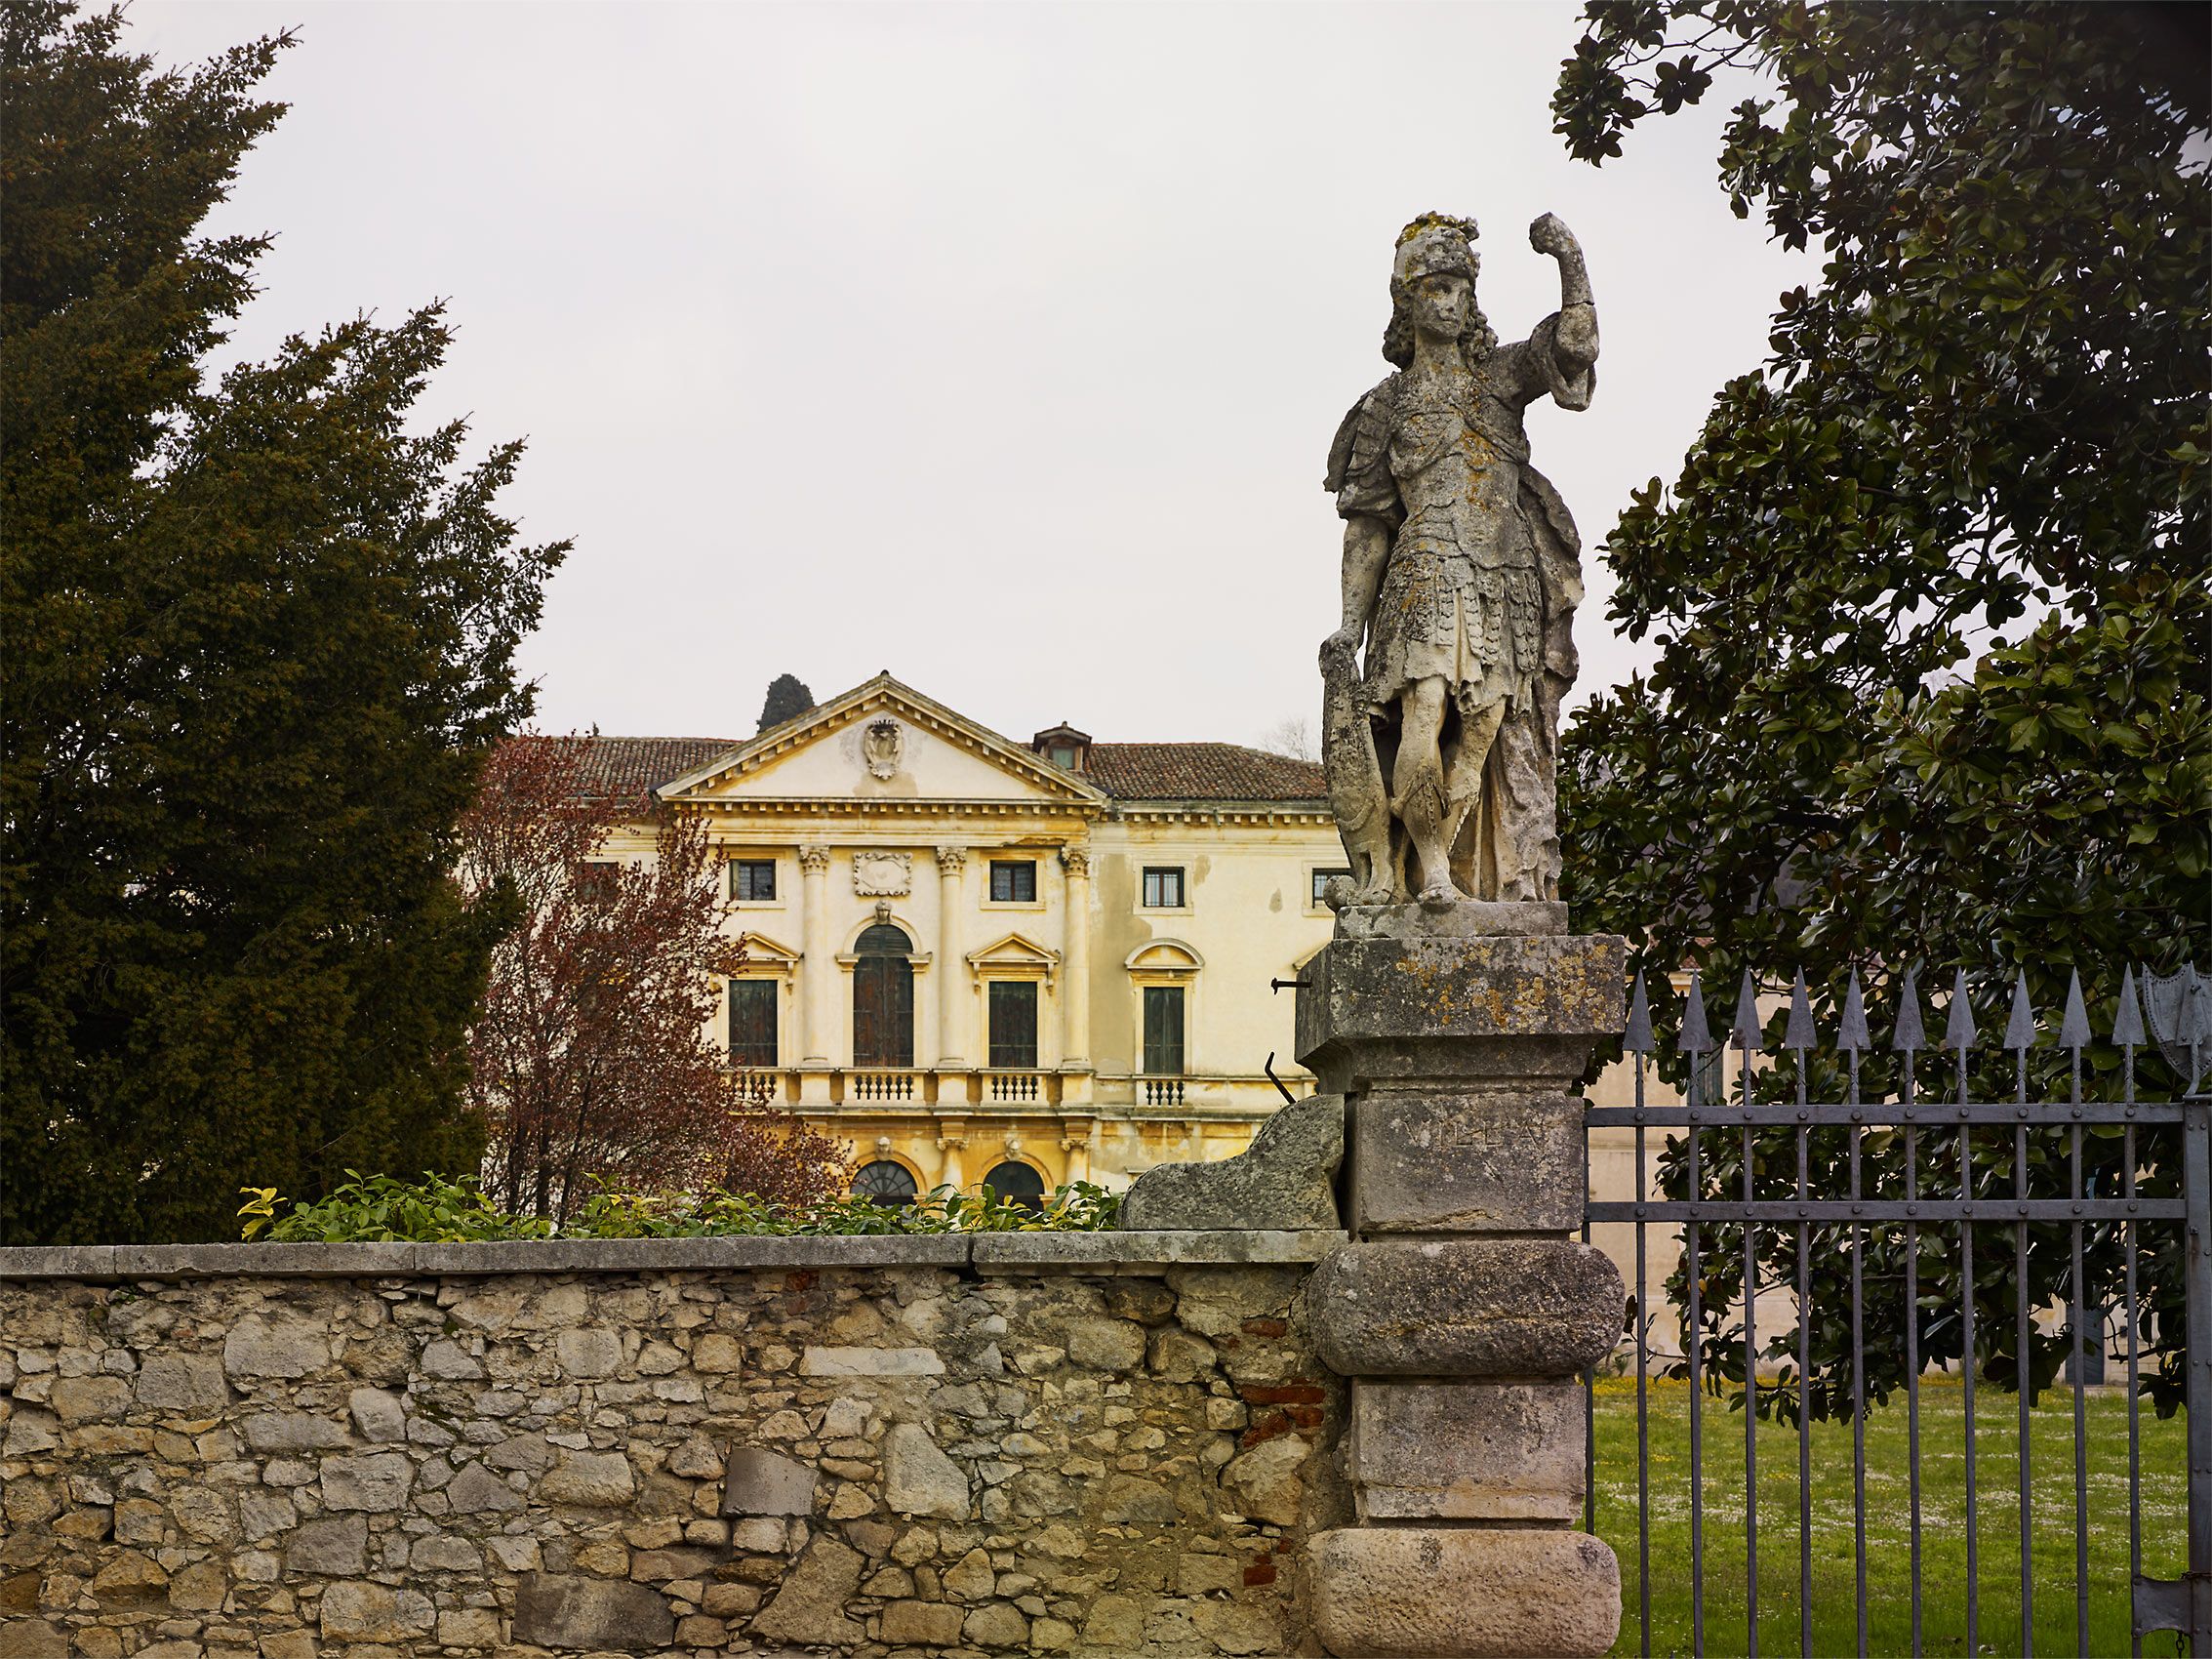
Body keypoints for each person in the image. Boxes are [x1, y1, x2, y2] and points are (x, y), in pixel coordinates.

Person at [1321, 211, 1598, 908]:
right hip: (1425, 572)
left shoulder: (1499, 378)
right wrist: (1350, 623)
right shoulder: (1386, 406)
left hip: (1506, 581)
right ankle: (1431, 871)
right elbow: (1367, 526)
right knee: (1422, 714)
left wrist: (1568, 257)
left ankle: (1450, 865)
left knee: (1479, 739)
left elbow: (1574, 344)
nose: (1450, 302)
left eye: (1459, 290)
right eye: (1436, 289)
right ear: (1408, 301)